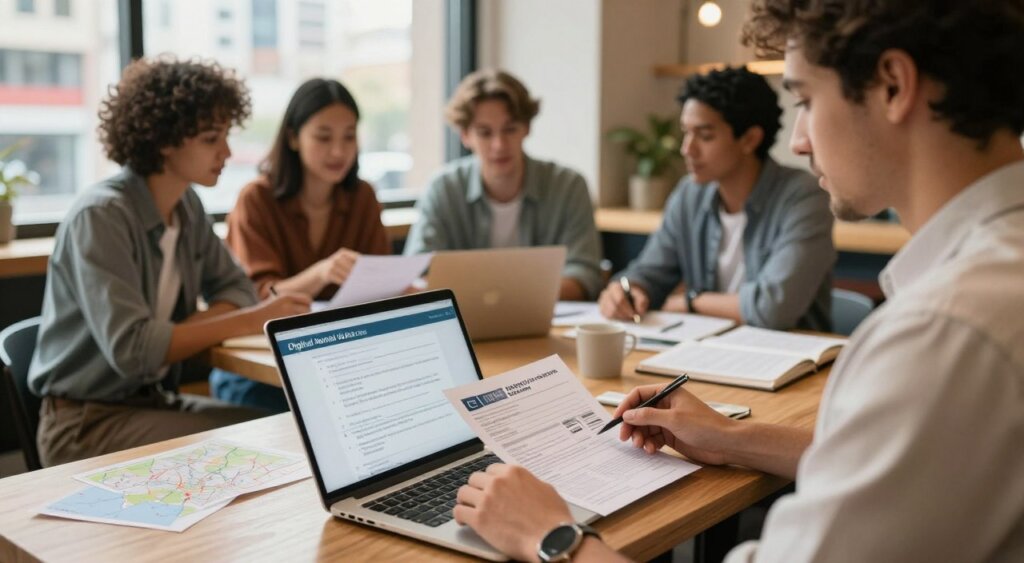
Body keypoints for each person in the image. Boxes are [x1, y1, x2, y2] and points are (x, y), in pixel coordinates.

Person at [452, 1, 1024, 561]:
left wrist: (554, 538)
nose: (798, 140)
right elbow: (905, 463)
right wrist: (731, 438)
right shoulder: (989, 284)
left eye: (805, 98)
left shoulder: (942, 332)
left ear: (894, 86)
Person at [27, 57, 311, 467]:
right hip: (85, 424)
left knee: (281, 431)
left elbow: (237, 289)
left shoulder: (186, 206)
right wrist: (250, 319)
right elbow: (134, 351)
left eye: (226, 135)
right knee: (267, 446)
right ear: (164, 139)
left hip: (151, 404)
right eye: (212, 138)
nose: (227, 151)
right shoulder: (102, 216)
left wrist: (174, 333)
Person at [599, 67, 835, 331]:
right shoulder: (689, 194)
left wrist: (690, 302)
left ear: (750, 139)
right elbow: (648, 272)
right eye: (685, 133)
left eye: (705, 135)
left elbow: (773, 309)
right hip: (711, 353)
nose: (687, 149)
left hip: (793, 360)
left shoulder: (803, 196)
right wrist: (626, 291)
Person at [217, 78, 390, 412]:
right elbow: (258, 300)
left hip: (338, 365)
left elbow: (377, 280)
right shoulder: (256, 200)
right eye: (324, 137)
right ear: (294, 137)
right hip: (263, 371)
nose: (338, 151)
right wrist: (321, 273)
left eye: (349, 136)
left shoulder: (362, 197)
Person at [403, 69, 603, 301]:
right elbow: (419, 270)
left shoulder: (568, 186)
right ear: (465, 135)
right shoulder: (443, 189)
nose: (499, 145)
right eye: (485, 133)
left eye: (510, 129)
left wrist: (506, 298)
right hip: (465, 324)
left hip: (546, 324)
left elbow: (585, 273)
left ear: (527, 128)